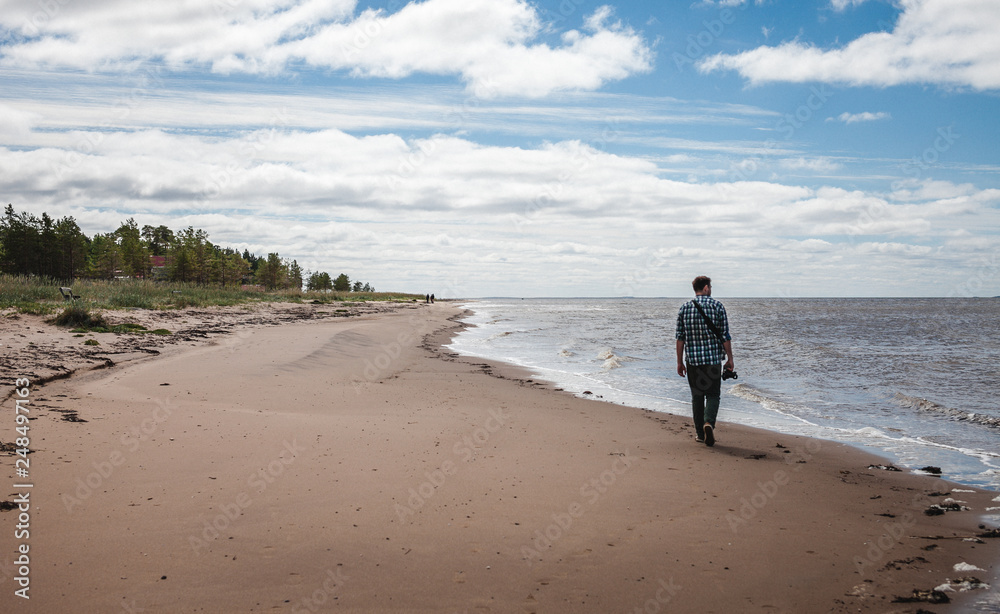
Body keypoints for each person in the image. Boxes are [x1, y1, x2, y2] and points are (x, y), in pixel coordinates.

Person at [675, 276, 734, 447]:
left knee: (697, 397)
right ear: (706, 288)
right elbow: (725, 336)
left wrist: (680, 362)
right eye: (711, 287)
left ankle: (700, 434)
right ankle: (709, 422)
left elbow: (680, 338)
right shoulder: (717, 306)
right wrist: (730, 359)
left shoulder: (684, 308)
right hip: (713, 360)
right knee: (713, 394)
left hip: (693, 361)